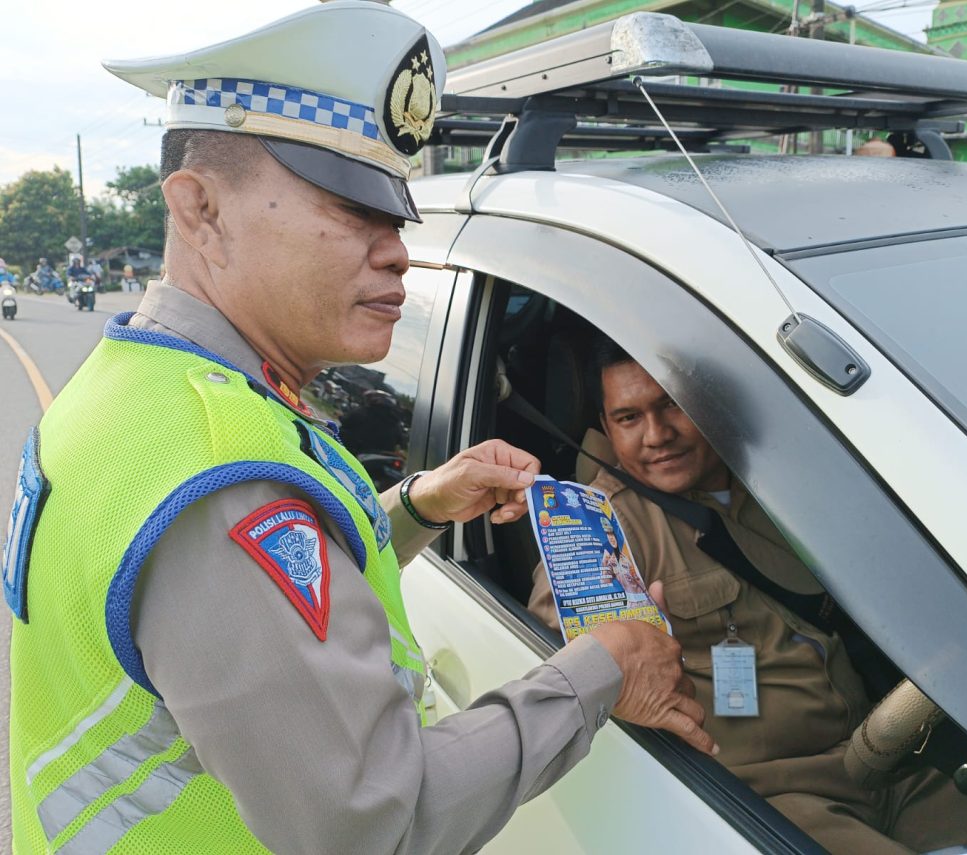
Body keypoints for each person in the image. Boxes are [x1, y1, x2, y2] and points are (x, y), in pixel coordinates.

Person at [2, 5, 714, 855]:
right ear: (200, 210)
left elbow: (251, 598)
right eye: (351, 209)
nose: (398, 252)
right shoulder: (219, 475)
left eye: (396, 217)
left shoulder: (144, 389)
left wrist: (417, 505)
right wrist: (604, 667)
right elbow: (377, 820)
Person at [528, 337, 967, 855]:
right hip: (773, 792)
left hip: (884, 755)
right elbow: (561, 641)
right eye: (628, 418)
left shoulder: (782, 482)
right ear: (604, 425)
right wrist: (624, 647)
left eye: (671, 405)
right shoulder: (604, 525)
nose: (657, 435)